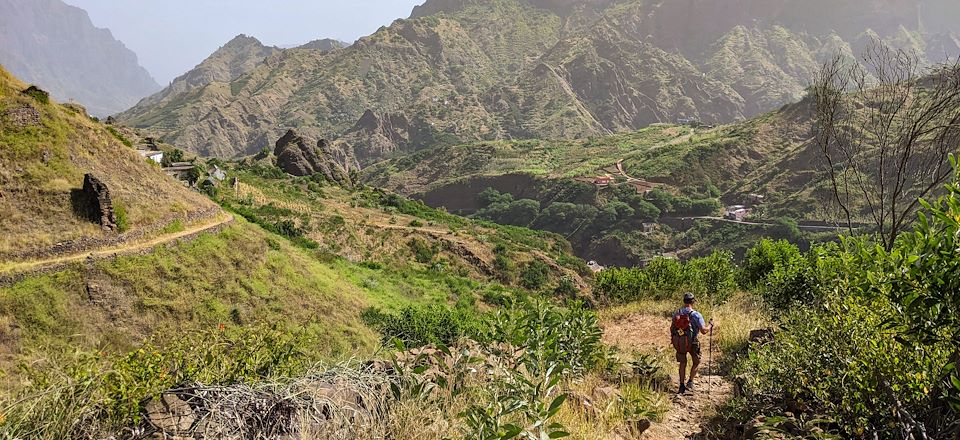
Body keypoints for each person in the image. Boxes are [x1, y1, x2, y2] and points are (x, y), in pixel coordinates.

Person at [671, 292, 713, 394]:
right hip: (693, 342)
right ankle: (690, 382)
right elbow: (703, 331)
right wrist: (710, 325)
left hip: (680, 342)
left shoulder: (677, 313)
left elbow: (672, 328)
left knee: (682, 363)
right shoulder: (696, 315)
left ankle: (681, 386)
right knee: (696, 362)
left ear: (684, 301)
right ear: (693, 301)